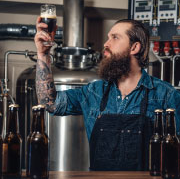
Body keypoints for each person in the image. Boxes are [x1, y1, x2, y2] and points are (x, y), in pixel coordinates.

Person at [34, 17, 180, 171]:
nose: (106, 43)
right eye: (108, 37)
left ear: (134, 47)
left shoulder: (166, 95)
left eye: (115, 37)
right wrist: (42, 55)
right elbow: (50, 104)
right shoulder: (93, 92)